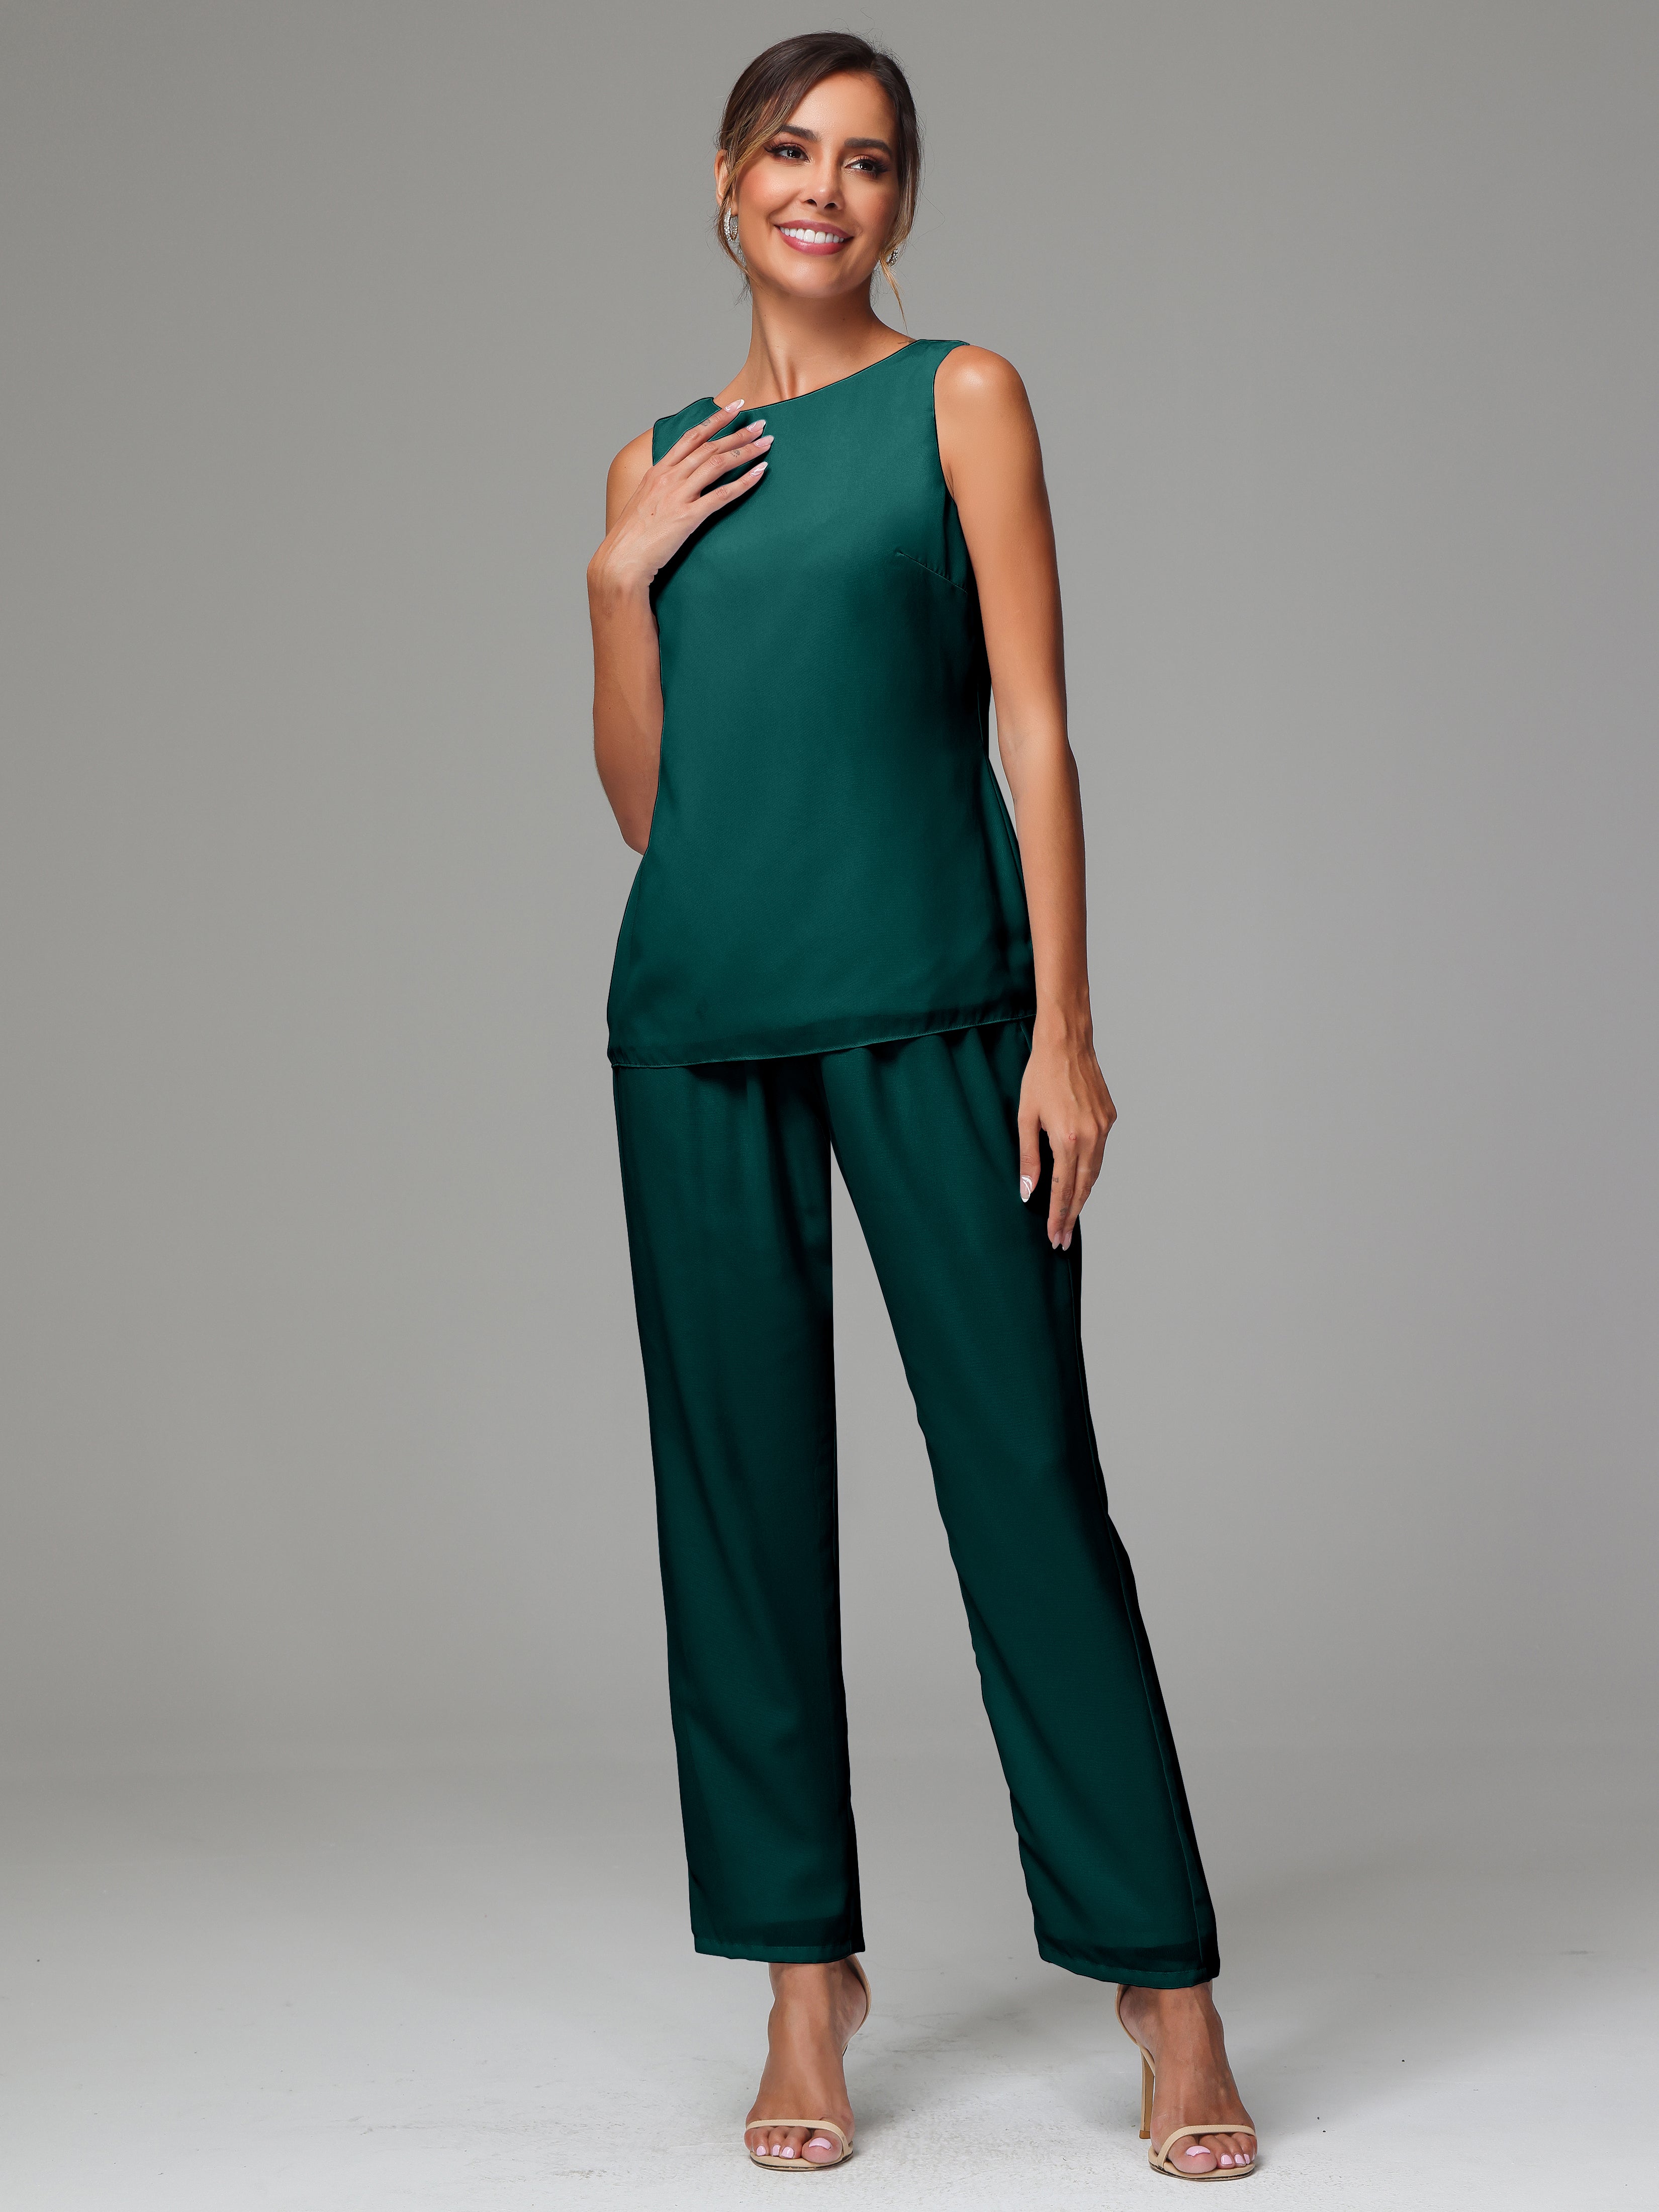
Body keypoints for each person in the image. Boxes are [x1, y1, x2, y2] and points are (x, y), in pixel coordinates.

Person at [587, 30, 1258, 2182]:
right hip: (700, 1017)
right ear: (723, 180)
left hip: (942, 1005)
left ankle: (1165, 1986)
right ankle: (805, 1978)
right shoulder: (652, 459)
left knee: (1026, 1482)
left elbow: (1037, 729)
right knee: (736, 1509)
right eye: (790, 151)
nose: (826, 189)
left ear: (899, 203)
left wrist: (1067, 1028)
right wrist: (614, 579)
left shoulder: (963, 394)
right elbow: (648, 807)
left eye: (868, 162)